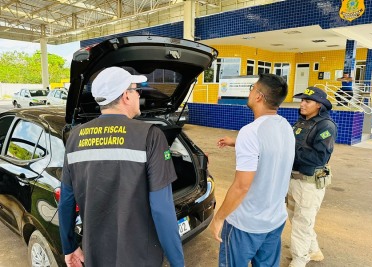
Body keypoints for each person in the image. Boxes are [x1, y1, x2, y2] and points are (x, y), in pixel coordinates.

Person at [58, 66, 184, 267]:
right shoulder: (150, 136)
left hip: (95, 256)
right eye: (136, 90)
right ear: (126, 96)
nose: (139, 95)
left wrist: (69, 246)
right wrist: (178, 262)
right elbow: (162, 209)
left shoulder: (75, 137)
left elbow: (66, 201)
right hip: (141, 258)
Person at [209, 73, 295, 266]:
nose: (250, 92)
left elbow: (241, 186)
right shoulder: (286, 127)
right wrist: (236, 143)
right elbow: (269, 149)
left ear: (259, 97)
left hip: (245, 225)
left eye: (252, 88)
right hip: (274, 221)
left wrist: (219, 218)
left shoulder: (250, 132)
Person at [288, 87, 338, 267]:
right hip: (293, 179)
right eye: (302, 100)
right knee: (299, 219)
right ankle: (314, 250)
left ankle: (299, 259)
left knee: (302, 222)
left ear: (319, 105)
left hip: (309, 183)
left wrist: (290, 153)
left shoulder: (326, 126)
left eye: (307, 101)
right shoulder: (300, 123)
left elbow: (319, 158)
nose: (302, 103)